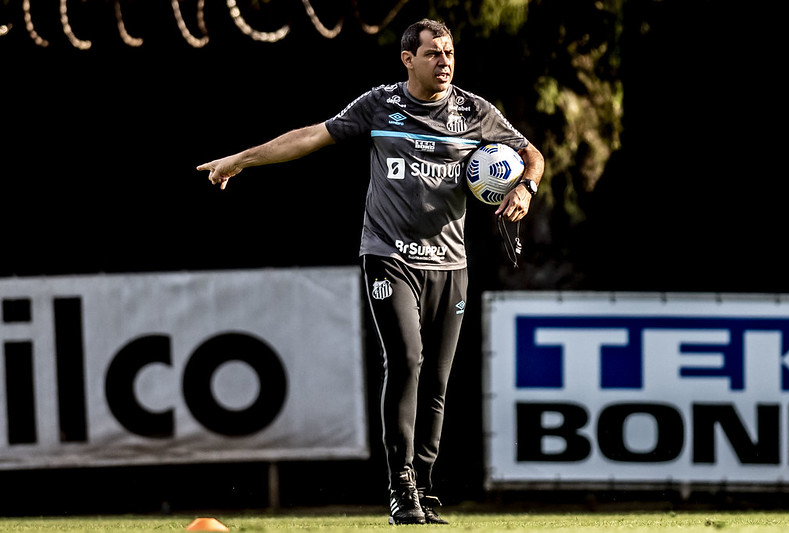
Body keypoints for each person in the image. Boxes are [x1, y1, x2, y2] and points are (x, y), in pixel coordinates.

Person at [197, 18, 544, 524]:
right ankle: (400, 484)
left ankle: (424, 489)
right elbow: (311, 136)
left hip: (451, 264)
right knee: (406, 358)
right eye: (433, 54)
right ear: (408, 59)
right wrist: (242, 160)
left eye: (449, 53)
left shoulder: (475, 111)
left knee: (438, 382)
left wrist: (524, 187)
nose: (444, 62)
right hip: (390, 254)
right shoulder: (382, 104)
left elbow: (530, 155)